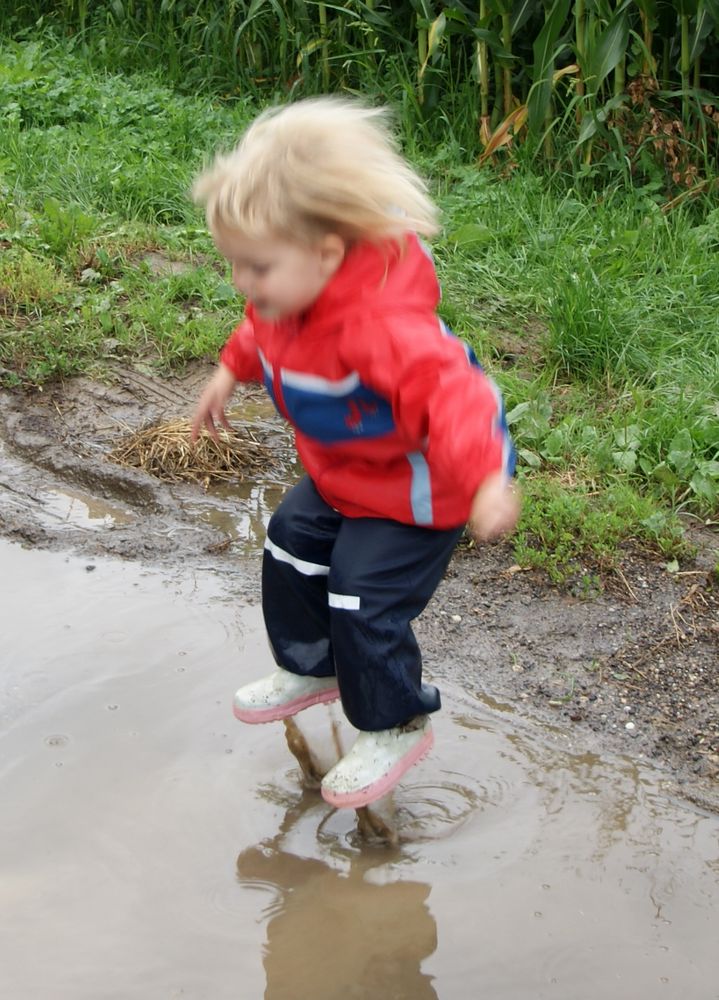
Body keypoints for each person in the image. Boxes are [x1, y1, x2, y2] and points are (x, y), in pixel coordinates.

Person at [190, 97, 520, 810]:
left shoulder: (383, 329)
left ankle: (396, 720)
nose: (244, 283)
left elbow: (455, 400)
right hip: (346, 479)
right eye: (234, 266)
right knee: (290, 543)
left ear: (326, 254)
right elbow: (258, 334)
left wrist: (488, 478)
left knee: (359, 591)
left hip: (417, 490)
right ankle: (312, 668)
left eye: (257, 268)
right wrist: (226, 373)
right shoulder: (286, 298)